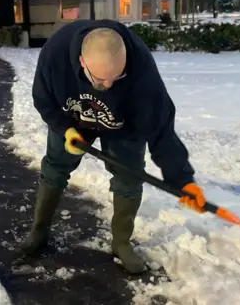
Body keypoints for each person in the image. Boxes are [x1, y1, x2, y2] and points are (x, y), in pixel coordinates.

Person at [17, 19, 207, 274]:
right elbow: (43, 99)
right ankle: (39, 232)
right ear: (82, 63)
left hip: (123, 124)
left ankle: (121, 242)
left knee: (129, 177)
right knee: (55, 168)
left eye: (117, 78)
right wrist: (66, 130)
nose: (108, 86)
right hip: (72, 118)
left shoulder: (141, 68)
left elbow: (161, 128)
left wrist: (183, 179)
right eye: (101, 80)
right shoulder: (56, 53)